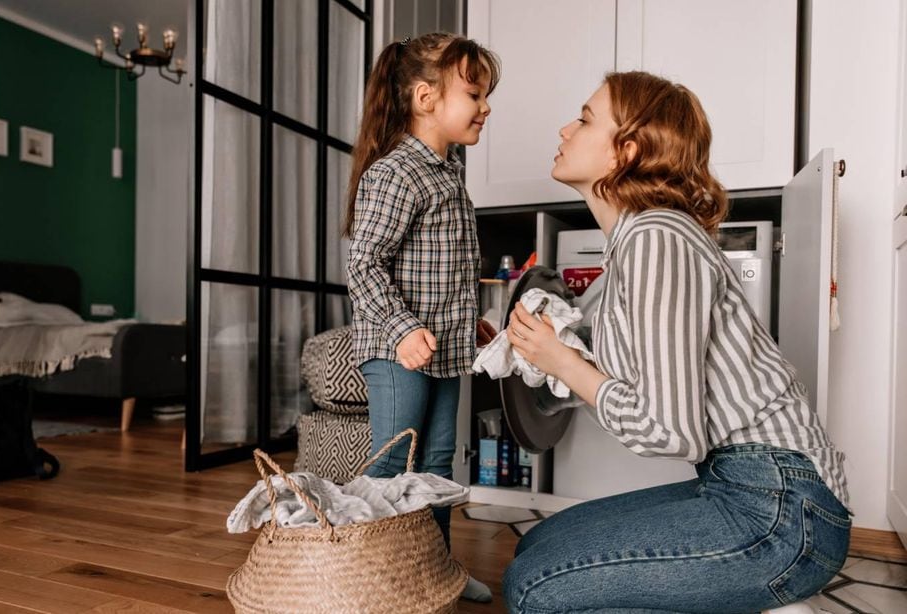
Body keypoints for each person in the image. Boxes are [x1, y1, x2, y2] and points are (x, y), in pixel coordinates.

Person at [501, 71, 851, 613]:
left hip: (783, 512)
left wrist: (565, 364)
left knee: (536, 590)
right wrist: (553, 351)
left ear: (628, 150)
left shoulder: (656, 237)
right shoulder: (634, 243)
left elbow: (670, 432)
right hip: (741, 484)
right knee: (534, 547)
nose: (565, 128)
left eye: (586, 118)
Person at [344, 32, 501, 603]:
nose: (486, 106)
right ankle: (380, 578)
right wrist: (402, 328)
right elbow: (363, 264)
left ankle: (435, 571)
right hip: (398, 352)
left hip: (446, 348)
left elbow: (447, 267)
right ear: (425, 97)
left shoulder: (449, 171)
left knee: (436, 466)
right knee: (394, 466)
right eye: (475, 93)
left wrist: (470, 321)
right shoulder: (397, 172)